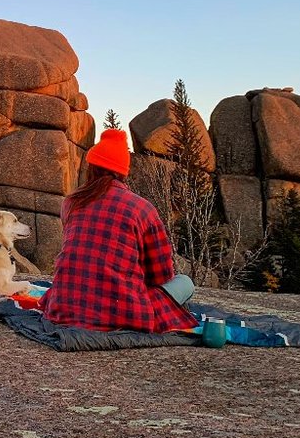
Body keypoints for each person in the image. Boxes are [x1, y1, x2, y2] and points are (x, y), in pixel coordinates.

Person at [38, 128, 196, 332]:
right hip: (125, 314)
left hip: (63, 308)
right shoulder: (142, 209)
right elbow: (162, 276)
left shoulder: (70, 203)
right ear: (123, 172)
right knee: (185, 283)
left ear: (91, 168)